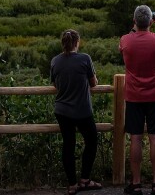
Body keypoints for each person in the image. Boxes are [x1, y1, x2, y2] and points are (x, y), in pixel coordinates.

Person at [119, 4, 155, 195]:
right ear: (151, 20)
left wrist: (139, 26)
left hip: (134, 96)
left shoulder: (125, 40)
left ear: (134, 21)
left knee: (135, 137)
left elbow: (126, 42)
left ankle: (135, 183)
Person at [51, 29, 102, 194]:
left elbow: (55, 85)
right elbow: (93, 83)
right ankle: (85, 179)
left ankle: (72, 184)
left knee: (68, 145)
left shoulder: (55, 61)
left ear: (63, 43)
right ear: (77, 43)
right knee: (91, 141)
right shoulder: (85, 59)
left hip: (62, 110)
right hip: (82, 110)